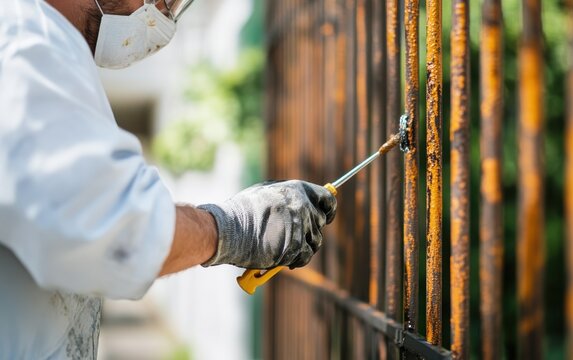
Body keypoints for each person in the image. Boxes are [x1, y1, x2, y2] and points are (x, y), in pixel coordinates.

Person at [0, 0, 337, 358]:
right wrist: (233, 229)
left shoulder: (42, 44)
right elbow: (106, 226)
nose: (164, 14)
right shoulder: (21, 37)